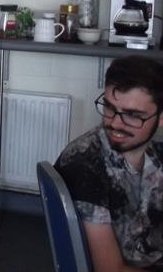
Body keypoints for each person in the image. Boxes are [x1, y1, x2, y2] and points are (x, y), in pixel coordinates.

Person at [55, 56, 163, 271]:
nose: (115, 123)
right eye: (109, 108)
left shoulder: (155, 150)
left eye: (133, 116)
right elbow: (109, 269)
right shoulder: (85, 165)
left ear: (161, 119)